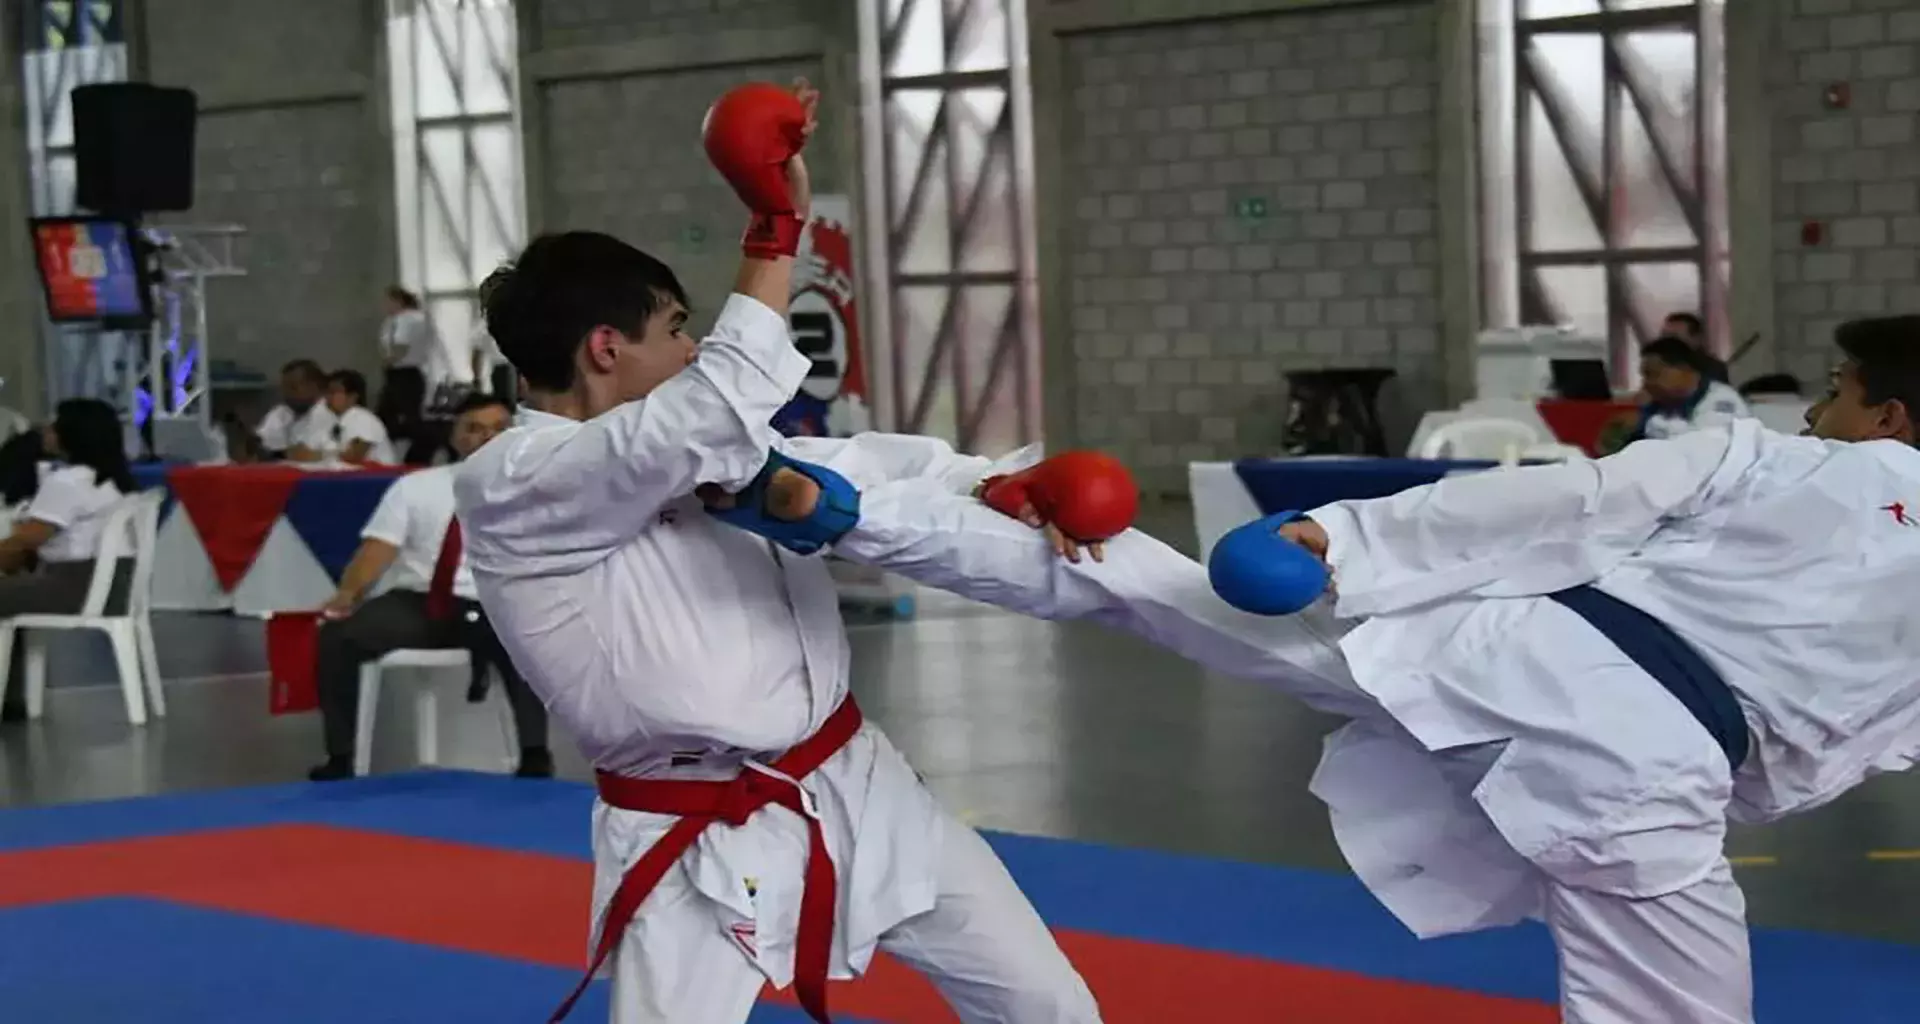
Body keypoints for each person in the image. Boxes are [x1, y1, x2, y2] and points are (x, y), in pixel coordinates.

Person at [720, 314, 1920, 1024]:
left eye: (1841, 394)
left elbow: (1578, 499)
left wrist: (1339, 538)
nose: (1821, 411)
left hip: (1501, 661)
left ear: (1897, 417)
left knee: (1158, 593)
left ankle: (845, 504)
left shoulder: (1775, 462)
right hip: (1650, 775)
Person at [453, 80, 1098, 1024]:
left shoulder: (695, 443)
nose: (693, 349)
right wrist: (773, 226)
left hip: (855, 779)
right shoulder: (518, 480)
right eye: (676, 330)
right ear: (603, 348)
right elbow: (708, 411)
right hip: (685, 828)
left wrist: (984, 488)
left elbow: (854, 465)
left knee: (1049, 1007)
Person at [306, 393, 550, 781]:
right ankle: (340, 758)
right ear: (455, 436)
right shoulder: (416, 487)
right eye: (474, 428)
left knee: (528, 633)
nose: (487, 438)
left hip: (500, 599)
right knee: (339, 637)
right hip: (420, 601)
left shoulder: (541, 490)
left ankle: (535, 754)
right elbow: (377, 550)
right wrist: (347, 594)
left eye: (499, 429)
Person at [0, 399, 136, 721]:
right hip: (113, 585)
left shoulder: (67, 481)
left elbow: (29, 538)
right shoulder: (115, 478)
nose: (45, 430)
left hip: (73, 586)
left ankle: (9, 693)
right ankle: (10, 695)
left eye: (53, 424)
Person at [1634, 335, 1749, 442]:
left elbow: (1704, 444)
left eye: (1653, 374)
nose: (1646, 384)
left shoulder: (1722, 399)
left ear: (1683, 369)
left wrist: (1653, 424)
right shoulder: (1662, 405)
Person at [254, 359, 338, 461]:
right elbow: (260, 444)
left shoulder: (330, 413)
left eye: (293, 388)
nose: (287, 394)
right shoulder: (281, 412)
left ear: (314, 387)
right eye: (284, 389)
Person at [317, 369, 399, 465]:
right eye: (327, 391)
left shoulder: (362, 418)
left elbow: (354, 455)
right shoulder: (335, 420)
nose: (328, 397)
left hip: (379, 476)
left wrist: (324, 455)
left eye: (335, 391)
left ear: (353, 397)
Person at [1660, 311, 1729, 383]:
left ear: (1696, 339)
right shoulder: (1656, 364)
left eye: (1674, 336)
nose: (1666, 341)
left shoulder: (1712, 369)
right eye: (1664, 335)